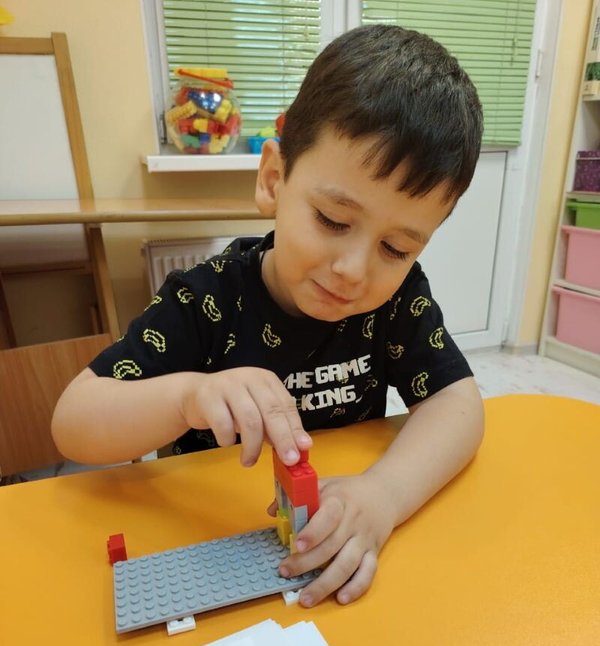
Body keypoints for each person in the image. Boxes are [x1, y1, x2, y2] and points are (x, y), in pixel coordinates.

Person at [52, 24, 485, 609]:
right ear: (273, 179)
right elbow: (73, 421)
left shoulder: (397, 299)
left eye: (396, 248)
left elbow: (459, 405)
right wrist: (187, 396)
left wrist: (384, 494)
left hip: (330, 561)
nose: (353, 270)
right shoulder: (205, 299)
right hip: (209, 555)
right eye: (333, 220)